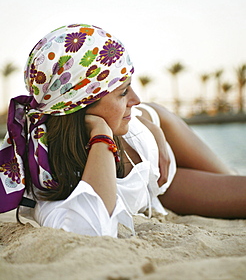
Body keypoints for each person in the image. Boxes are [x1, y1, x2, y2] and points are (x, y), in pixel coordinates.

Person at [0, 23, 245, 238]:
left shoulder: (128, 120)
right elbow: (91, 229)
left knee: (233, 182)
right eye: (124, 92)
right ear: (81, 108)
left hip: (162, 140)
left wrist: (155, 129)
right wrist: (101, 134)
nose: (136, 99)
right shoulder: (50, 173)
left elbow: (141, 109)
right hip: (159, 189)